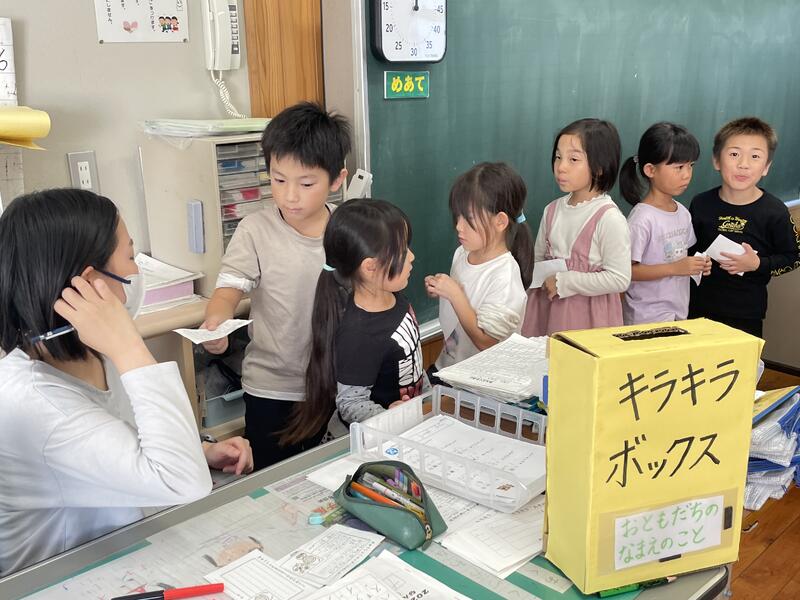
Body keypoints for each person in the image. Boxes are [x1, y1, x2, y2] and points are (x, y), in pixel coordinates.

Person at [0, 189, 253, 576]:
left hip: (121, 550)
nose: (137, 273)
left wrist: (201, 449)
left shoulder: (90, 351)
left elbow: (125, 437)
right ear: (90, 285)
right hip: (62, 581)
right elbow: (183, 482)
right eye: (131, 258)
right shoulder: (36, 404)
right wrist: (129, 346)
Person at [201, 102, 351, 469]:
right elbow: (228, 289)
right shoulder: (255, 229)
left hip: (337, 385)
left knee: (331, 473)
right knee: (273, 480)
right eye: (278, 180)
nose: (290, 195)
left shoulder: (348, 229)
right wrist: (216, 322)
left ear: (337, 180)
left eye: (306, 183)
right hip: (271, 389)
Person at [278, 198, 425, 445]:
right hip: (371, 442)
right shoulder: (359, 333)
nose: (411, 256)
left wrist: (425, 400)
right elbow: (350, 403)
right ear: (370, 267)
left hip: (407, 429)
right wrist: (388, 418)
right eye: (402, 252)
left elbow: (413, 359)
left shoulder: (395, 299)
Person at [688, 117, 800, 337]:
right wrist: (696, 261)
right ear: (716, 160)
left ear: (766, 167)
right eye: (734, 154)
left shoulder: (774, 211)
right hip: (698, 308)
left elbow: (793, 257)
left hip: (746, 313)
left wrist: (757, 264)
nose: (743, 164)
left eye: (755, 156)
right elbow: (690, 249)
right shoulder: (700, 203)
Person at [521, 118, 631, 336]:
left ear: (599, 167)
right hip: (547, 312)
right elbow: (538, 260)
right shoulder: (552, 210)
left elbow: (620, 278)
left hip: (587, 320)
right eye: (558, 157)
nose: (561, 167)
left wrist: (566, 281)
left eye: (573, 159)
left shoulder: (609, 218)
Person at [425, 162, 530, 376]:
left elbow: (486, 341)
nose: (458, 226)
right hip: (450, 366)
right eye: (457, 216)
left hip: (482, 381)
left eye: (469, 218)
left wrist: (455, 294)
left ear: (500, 222)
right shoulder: (462, 253)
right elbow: (460, 306)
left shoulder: (505, 275)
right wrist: (442, 290)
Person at [619, 122, 711, 324]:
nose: (687, 174)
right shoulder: (642, 218)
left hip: (677, 312)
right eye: (679, 167)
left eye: (691, 166)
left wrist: (697, 265)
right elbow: (627, 271)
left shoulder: (683, 213)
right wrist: (675, 268)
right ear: (651, 170)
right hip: (645, 317)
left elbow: (680, 257)